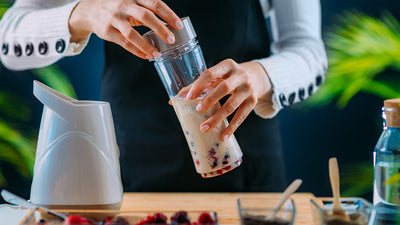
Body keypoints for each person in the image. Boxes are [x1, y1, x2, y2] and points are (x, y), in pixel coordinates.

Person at [0, 0, 327, 192]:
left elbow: (309, 50)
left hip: (247, 162)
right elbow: (9, 36)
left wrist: (262, 75)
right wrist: (83, 12)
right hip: (132, 157)